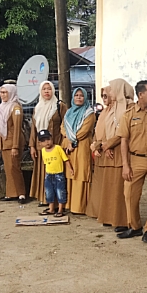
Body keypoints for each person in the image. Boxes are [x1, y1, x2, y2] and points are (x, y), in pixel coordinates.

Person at [116, 80, 147, 243]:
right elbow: (124, 141)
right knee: (130, 195)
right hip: (135, 160)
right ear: (140, 95)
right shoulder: (129, 115)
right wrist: (125, 165)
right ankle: (135, 226)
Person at [95, 79, 134, 231]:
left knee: (120, 189)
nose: (110, 93)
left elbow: (123, 131)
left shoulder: (130, 107)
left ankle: (123, 220)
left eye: (112, 89)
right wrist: (104, 146)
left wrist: (108, 144)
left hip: (122, 150)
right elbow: (106, 128)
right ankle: (110, 217)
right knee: (110, 187)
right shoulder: (113, 108)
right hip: (110, 151)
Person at [28, 81, 68, 206]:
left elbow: (65, 124)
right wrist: (32, 146)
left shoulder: (59, 106)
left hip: (55, 145)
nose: (46, 91)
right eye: (44, 89)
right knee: (42, 173)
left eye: (49, 89)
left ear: (53, 91)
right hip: (41, 147)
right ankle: (44, 198)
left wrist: (64, 142)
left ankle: (56, 202)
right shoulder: (37, 108)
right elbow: (34, 129)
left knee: (56, 174)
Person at [61, 87, 96, 215]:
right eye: (76, 95)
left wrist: (71, 140)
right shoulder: (69, 112)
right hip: (69, 147)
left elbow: (84, 131)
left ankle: (80, 207)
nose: (79, 98)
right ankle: (69, 204)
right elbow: (63, 127)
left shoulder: (89, 113)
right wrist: (69, 140)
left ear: (85, 97)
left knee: (81, 173)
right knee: (70, 173)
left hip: (82, 146)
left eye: (81, 96)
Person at [0, 84, 26, 203]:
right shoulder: (2, 107)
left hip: (13, 142)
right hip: (4, 143)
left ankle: (21, 193)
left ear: (11, 93)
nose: (2, 95)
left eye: (5, 92)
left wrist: (15, 146)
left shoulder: (15, 108)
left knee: (14, 168)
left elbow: (17, 128)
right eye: (1, 92)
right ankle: (11, 193)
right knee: (8, 169)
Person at [38, 129, 70, 217]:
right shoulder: (43, 151)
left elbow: (65, 159)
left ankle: (60, 209)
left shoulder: (58, 148)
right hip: (48, 174)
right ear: (40, 143)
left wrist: (70, 169)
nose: (47, 142)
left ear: (52, 139)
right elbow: (45, 163)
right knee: (49, 192)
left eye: (48, 139)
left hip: (58, 174)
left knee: (60, 191)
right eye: (43, 141)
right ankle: (51, 208)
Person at [86, 88, 107, 219]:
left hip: (110, 153)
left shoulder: (120, 112)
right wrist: (95, 146)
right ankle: (97, 211)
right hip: (99, 152)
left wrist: (101, 145)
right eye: (102, 96)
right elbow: (97, 133)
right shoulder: (104, 113)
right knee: (99, 185)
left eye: (106, 96)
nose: (104, 99)